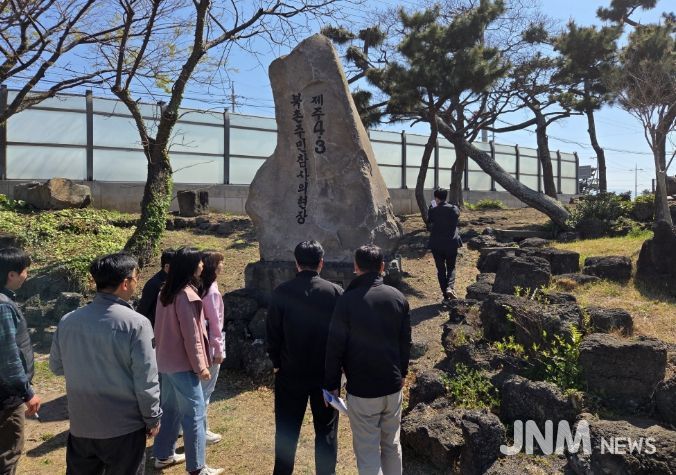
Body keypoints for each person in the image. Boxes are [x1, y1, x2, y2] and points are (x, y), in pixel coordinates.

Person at [49, 252, 161, 474]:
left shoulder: (68, 320)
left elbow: (56, 366)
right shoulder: (137, 324)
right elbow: (146, 378)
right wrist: (152, 417)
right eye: (136, 277)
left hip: (82, 424)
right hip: (124, 427)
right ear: (125, 283)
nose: (137, 282)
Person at [324, 244, 411, 475]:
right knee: (392, 444)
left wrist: (332, 384)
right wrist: (402, 373)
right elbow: (405, 342)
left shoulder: (347, 301)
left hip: (362, 389)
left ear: (356, 267)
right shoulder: (398, 298)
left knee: (367, 450)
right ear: (382, 266)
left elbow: (335, 346)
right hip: (392, 384)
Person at [266, 241, 344, 475]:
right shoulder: (335, 292)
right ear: (321, 262)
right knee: (326, 431)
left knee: (287, 431)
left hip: (290, 372)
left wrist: (276, 363)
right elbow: (342, 337)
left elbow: (273, 333)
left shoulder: (282, 292)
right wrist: (339, 370)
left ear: (296, 263)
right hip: (325, 375)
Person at [153, 247, 223, 475]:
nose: (202, 265)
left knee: (170, 409)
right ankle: (197, 468)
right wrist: (201, 367)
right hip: (182, 365)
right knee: (194, 414)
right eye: (199, 262)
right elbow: (192, 337)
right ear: (191, 267)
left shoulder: (166, 291)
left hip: (165, 362)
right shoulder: (186, 296)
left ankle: (163, 454)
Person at [0, 248, 40, 475]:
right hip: (6, 396)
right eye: (25, 270)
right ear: (11, 274)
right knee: (8, 453)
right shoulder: (3, 306)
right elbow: (8, 357)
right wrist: (27, 392)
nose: (27, 275)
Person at [199, 250, 225, 445]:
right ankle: (203, 430)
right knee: (205, 391)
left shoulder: (197, 288)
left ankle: (186, 426)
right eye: (221, 263)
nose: (223, 265)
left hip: (198, 345)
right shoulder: (212, 292)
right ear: (214, 268)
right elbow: (215, 324)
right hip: (210, 348)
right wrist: (219, 350)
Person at [427, 188, 462, 303]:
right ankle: (449, 288)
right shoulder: (454, 209)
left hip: (436, 244)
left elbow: (429, 222)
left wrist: (433, 207)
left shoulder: (433, 209)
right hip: (451, 243)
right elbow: (457, 216)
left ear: (436, 198)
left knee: (441, 270)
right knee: (451, 267)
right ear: (445, 197)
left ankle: (446, 296)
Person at [137, 248, 175, 326]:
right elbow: (143, 310)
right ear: (167, 267)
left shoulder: (173, 280)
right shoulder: (153, 284)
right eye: (177, 265)